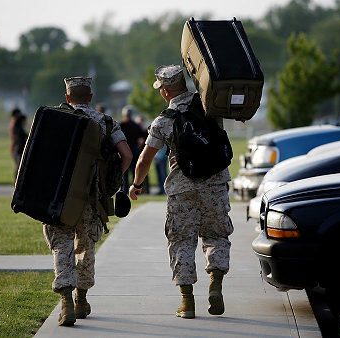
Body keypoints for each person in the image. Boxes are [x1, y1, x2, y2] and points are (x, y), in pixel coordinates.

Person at [129, 65, 233, 319]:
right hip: (215, 185)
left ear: (165, 92)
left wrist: (137, 184)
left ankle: (187, 303)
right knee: (217, 236)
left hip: (181, 190)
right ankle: (216, 285)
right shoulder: (210, 107)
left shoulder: (164, 120)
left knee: (181, 242)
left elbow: (144, 160)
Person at [43, 76, 132, 327]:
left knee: (62, 246)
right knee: (86, 248)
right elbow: (126, 154)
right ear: (90, 98)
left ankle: (66, 303)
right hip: (91, 200)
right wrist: (111, 182)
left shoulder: (55, 118)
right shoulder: (105, 122)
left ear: (68, 97)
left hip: (59, 199)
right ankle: (82, 300)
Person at [120, 105, 145, 192]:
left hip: (126, 150)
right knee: (135, 170)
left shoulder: (122, 125)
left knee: (125, 171)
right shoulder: (136, 125)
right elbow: (143, 136)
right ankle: (135, 189)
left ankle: (125, 189)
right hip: (135, 149)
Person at [12, 114, 28, 180]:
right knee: (19, 167)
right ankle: (17, 180)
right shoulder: (19, 130)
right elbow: (21, 140)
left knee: (19, 167)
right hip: (19, 151)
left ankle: (17, 180)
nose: (26, 122)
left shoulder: (18, 129)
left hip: (17, 150)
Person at [9, 107, 23, 180]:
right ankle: (16, 181)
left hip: (14, 147)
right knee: (18, 166)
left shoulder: (13, 123)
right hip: (16, 148)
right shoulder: (15, 124)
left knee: (18, 166)